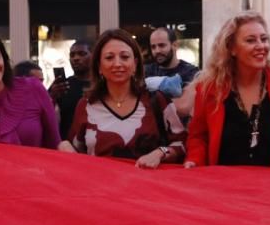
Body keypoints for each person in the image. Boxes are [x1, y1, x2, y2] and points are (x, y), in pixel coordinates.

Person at [185, 12, 270, 171]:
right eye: (251, 40)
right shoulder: (209, 88)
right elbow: (198, 137)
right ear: (232, 48)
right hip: (222, 187)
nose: (261, 46)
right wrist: (194, 160)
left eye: (264, 39)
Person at [59, 29, 185, 168]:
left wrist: (159, 153)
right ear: (99, 66)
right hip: (98, 188)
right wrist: (64, 147)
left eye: (124, 57)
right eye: (109, 58)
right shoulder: (86, 106)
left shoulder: (156, 100)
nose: (117, 64)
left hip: (147, 187)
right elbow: (76, 155)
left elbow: (181, 145)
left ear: (135, 64)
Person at [48, 39, 93, 139]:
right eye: (72, 55)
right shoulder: (61, 86)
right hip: (67, 146)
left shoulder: (102, 84)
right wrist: (52, 97)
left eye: (82, 54)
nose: (76, 58)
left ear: (93, 56)